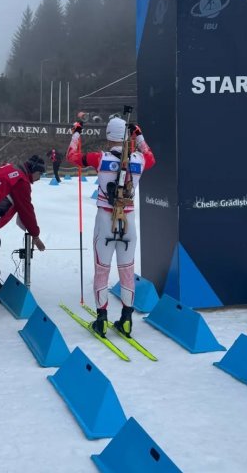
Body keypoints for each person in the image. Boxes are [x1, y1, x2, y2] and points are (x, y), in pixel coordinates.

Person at [66, 115, 155, 337]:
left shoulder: (100, 157)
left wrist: (77, 132)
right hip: (128, 220)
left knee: (102, 271)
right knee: (127, 271)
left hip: (105, 218)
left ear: (108, 136)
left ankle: (102, 320)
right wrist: (140, 135)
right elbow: (151, 157)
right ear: (127, 137)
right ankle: (126, 320)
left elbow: (72, 156)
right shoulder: (139, 159)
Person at [0, 155, 46, 305]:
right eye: (40, 174)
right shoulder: (21, 182)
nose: (39, 178)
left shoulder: (10, 168)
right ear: (33, 170)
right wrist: (36, 236)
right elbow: (26, 210)